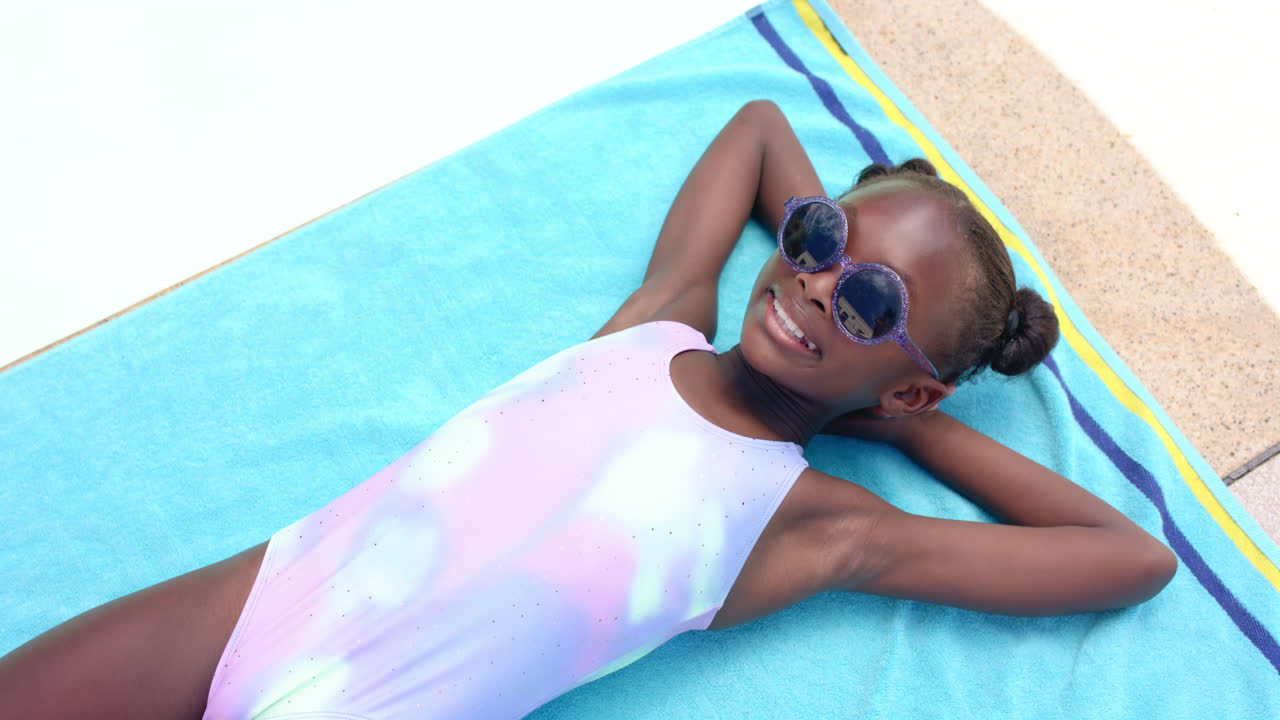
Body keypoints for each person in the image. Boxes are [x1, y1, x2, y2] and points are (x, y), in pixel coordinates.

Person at [0, 100, 1178, 718]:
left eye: (868, 300)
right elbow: (763, 125)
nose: (815, 279)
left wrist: (901, 413)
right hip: (254, 598)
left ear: (913, 380)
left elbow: (1124, 557)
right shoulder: (654, 323)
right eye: (819, 239)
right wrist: (861, 329)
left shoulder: (813, 524)